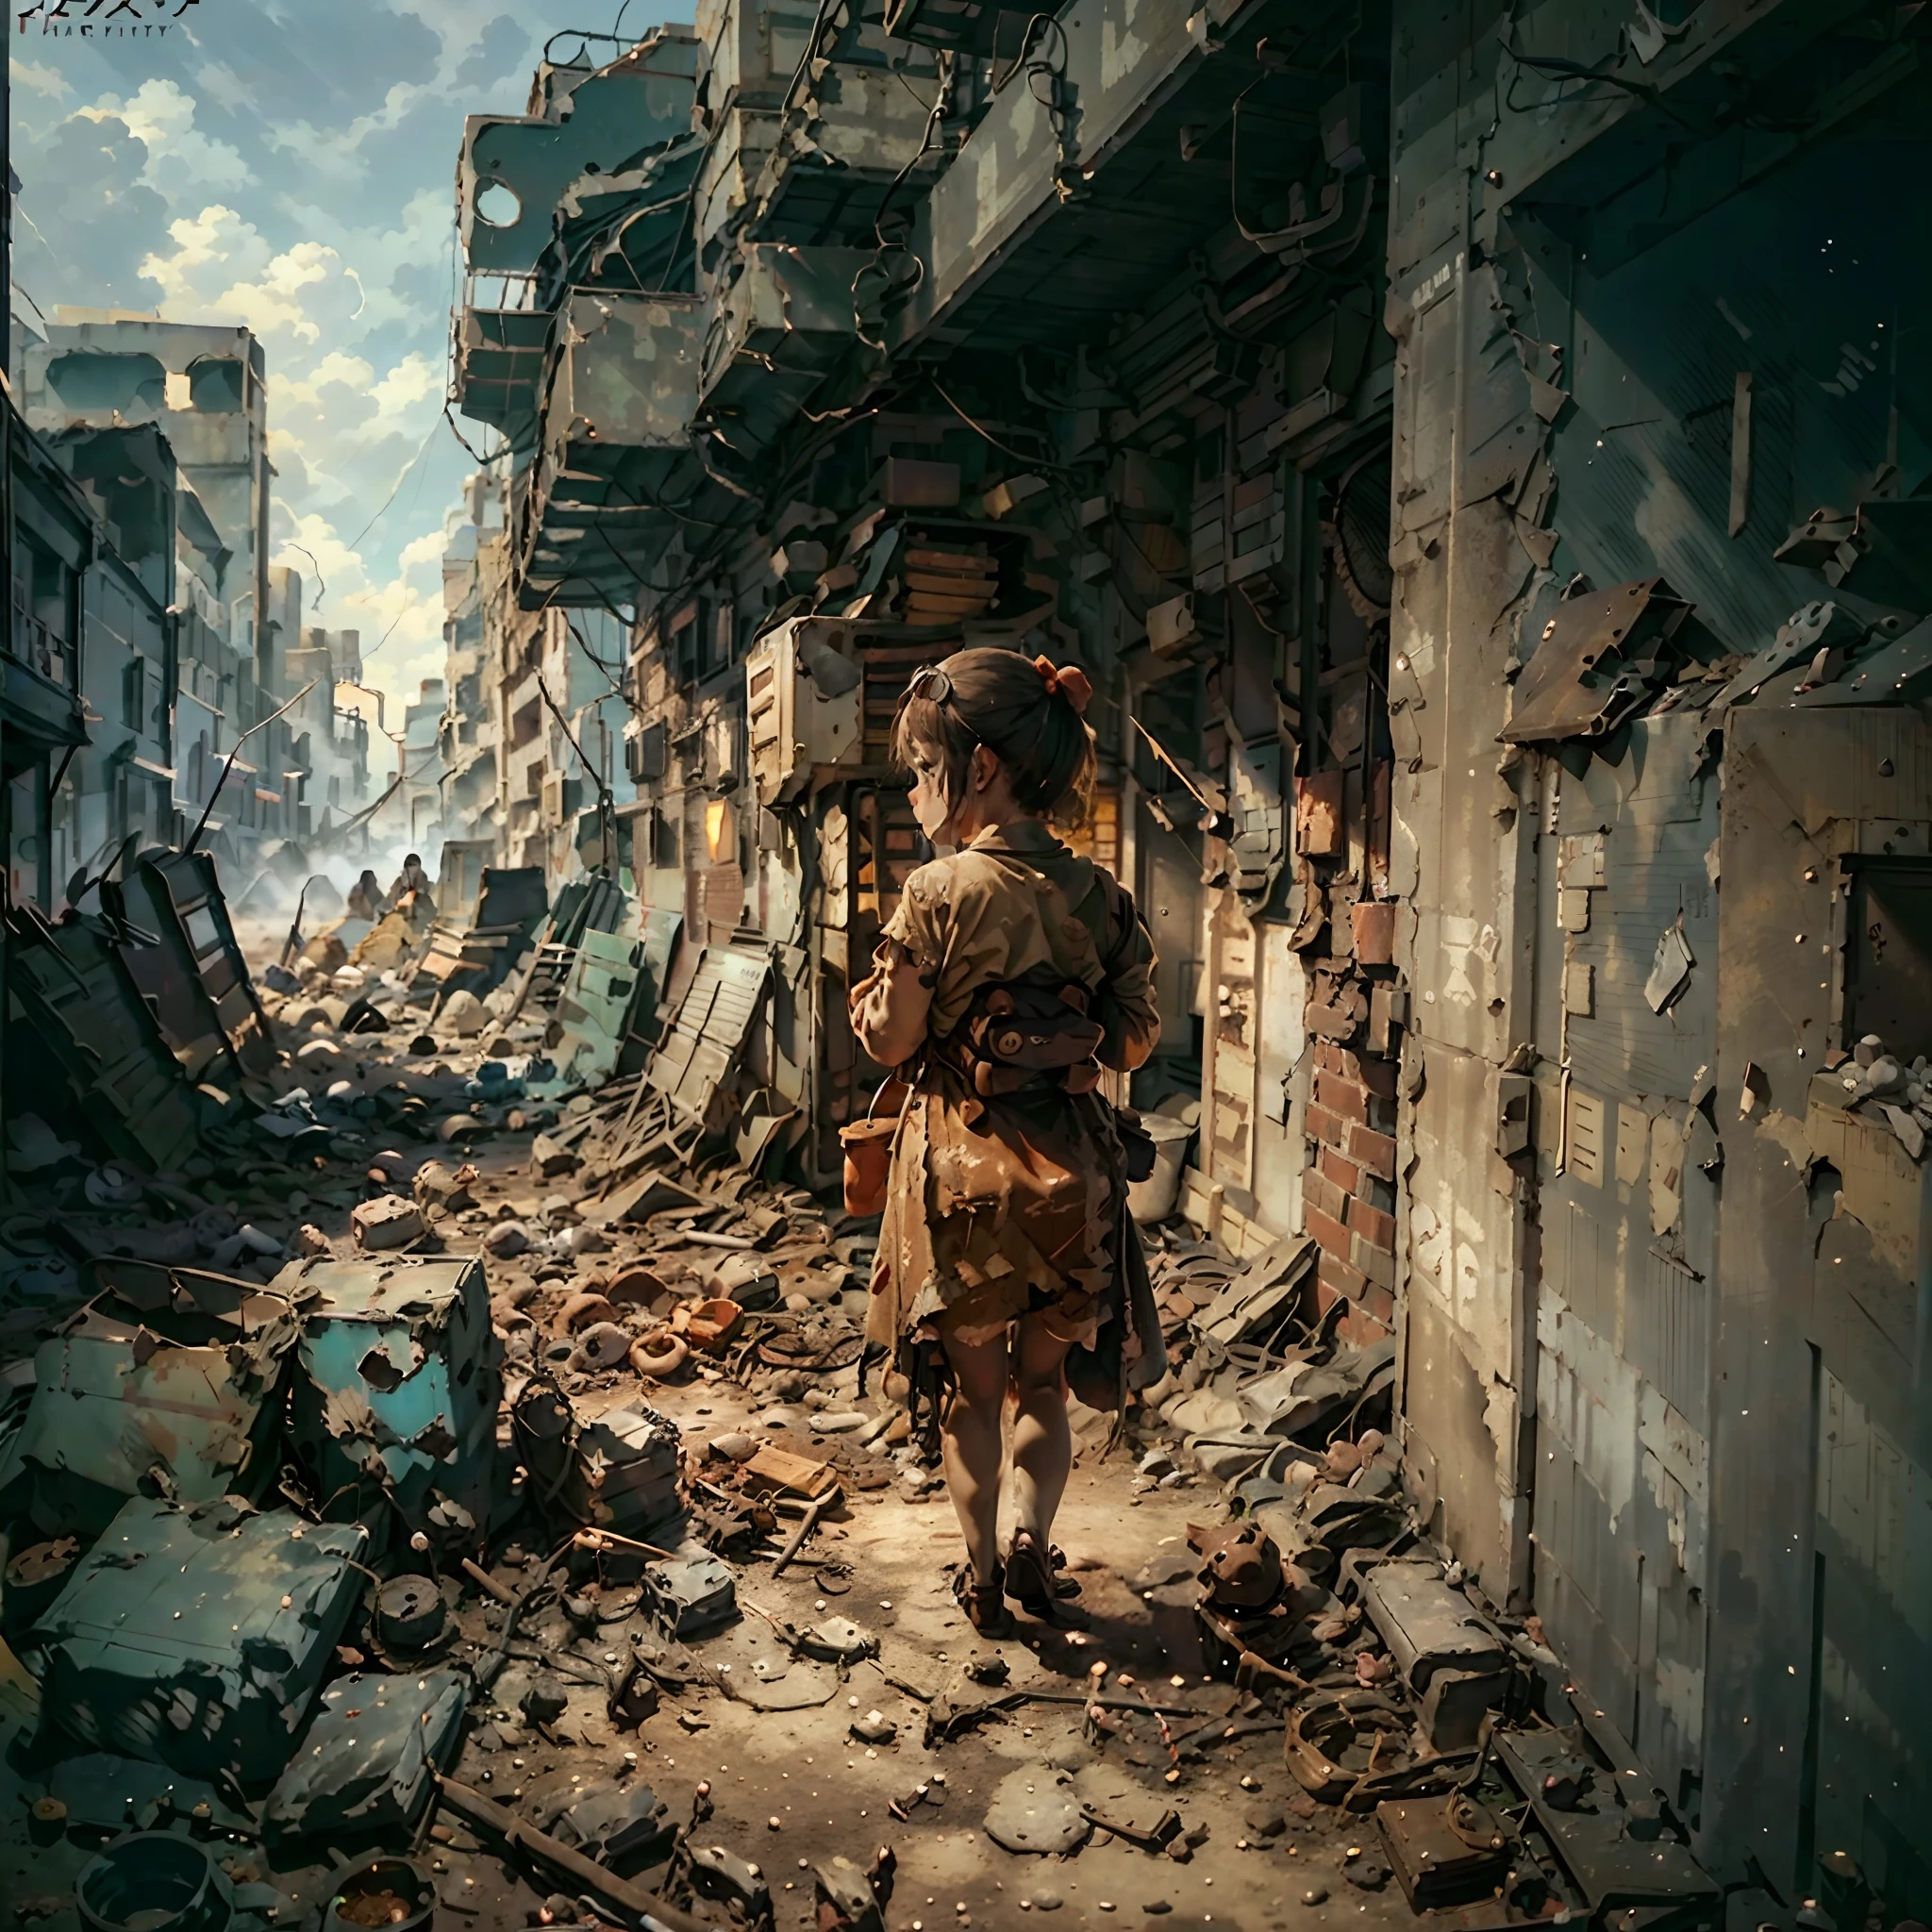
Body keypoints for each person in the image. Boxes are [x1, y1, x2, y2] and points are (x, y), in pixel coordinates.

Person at [850, 647, 1163, 1636]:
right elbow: (1136, 1033)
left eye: (922, 763)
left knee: (971, 1400)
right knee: (1046, 1387)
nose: (913, 785)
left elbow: (893, 1038)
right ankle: (1036, 1543)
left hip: (962, 1182)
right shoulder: (1100, 895)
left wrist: (879, 1009)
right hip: (1076, 1183)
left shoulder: (936, 892)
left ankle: (981, 1572)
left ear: (978, 766)